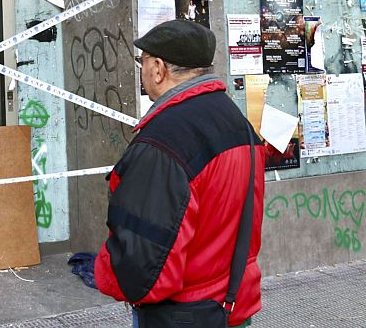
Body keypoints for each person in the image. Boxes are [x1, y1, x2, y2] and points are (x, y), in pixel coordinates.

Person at [95, 20, 265, 327]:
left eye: (143, 62)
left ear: (158, 69)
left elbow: (145, 269)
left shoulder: (164, 142)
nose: (142, 71)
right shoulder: (236, 121)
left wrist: (105, 269)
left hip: (183, 314)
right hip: (233, 305)